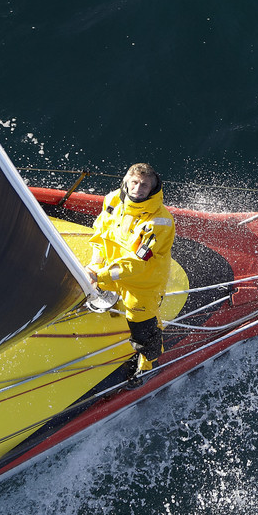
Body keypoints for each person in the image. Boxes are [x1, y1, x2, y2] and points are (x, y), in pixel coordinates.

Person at [85, 163, 175, 385]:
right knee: (100, 285)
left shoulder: (159, 222)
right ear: (126, 181)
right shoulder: (113, 199)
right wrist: (95, 264)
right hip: (110, 271)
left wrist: (99, 276)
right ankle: (111, 295)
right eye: (134, 182)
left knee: (143, 329)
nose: (138, 188)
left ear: (153, 187)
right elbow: (100, 231)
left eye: (145, 184)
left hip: (143, 284)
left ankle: (149, 364)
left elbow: (137, 264)